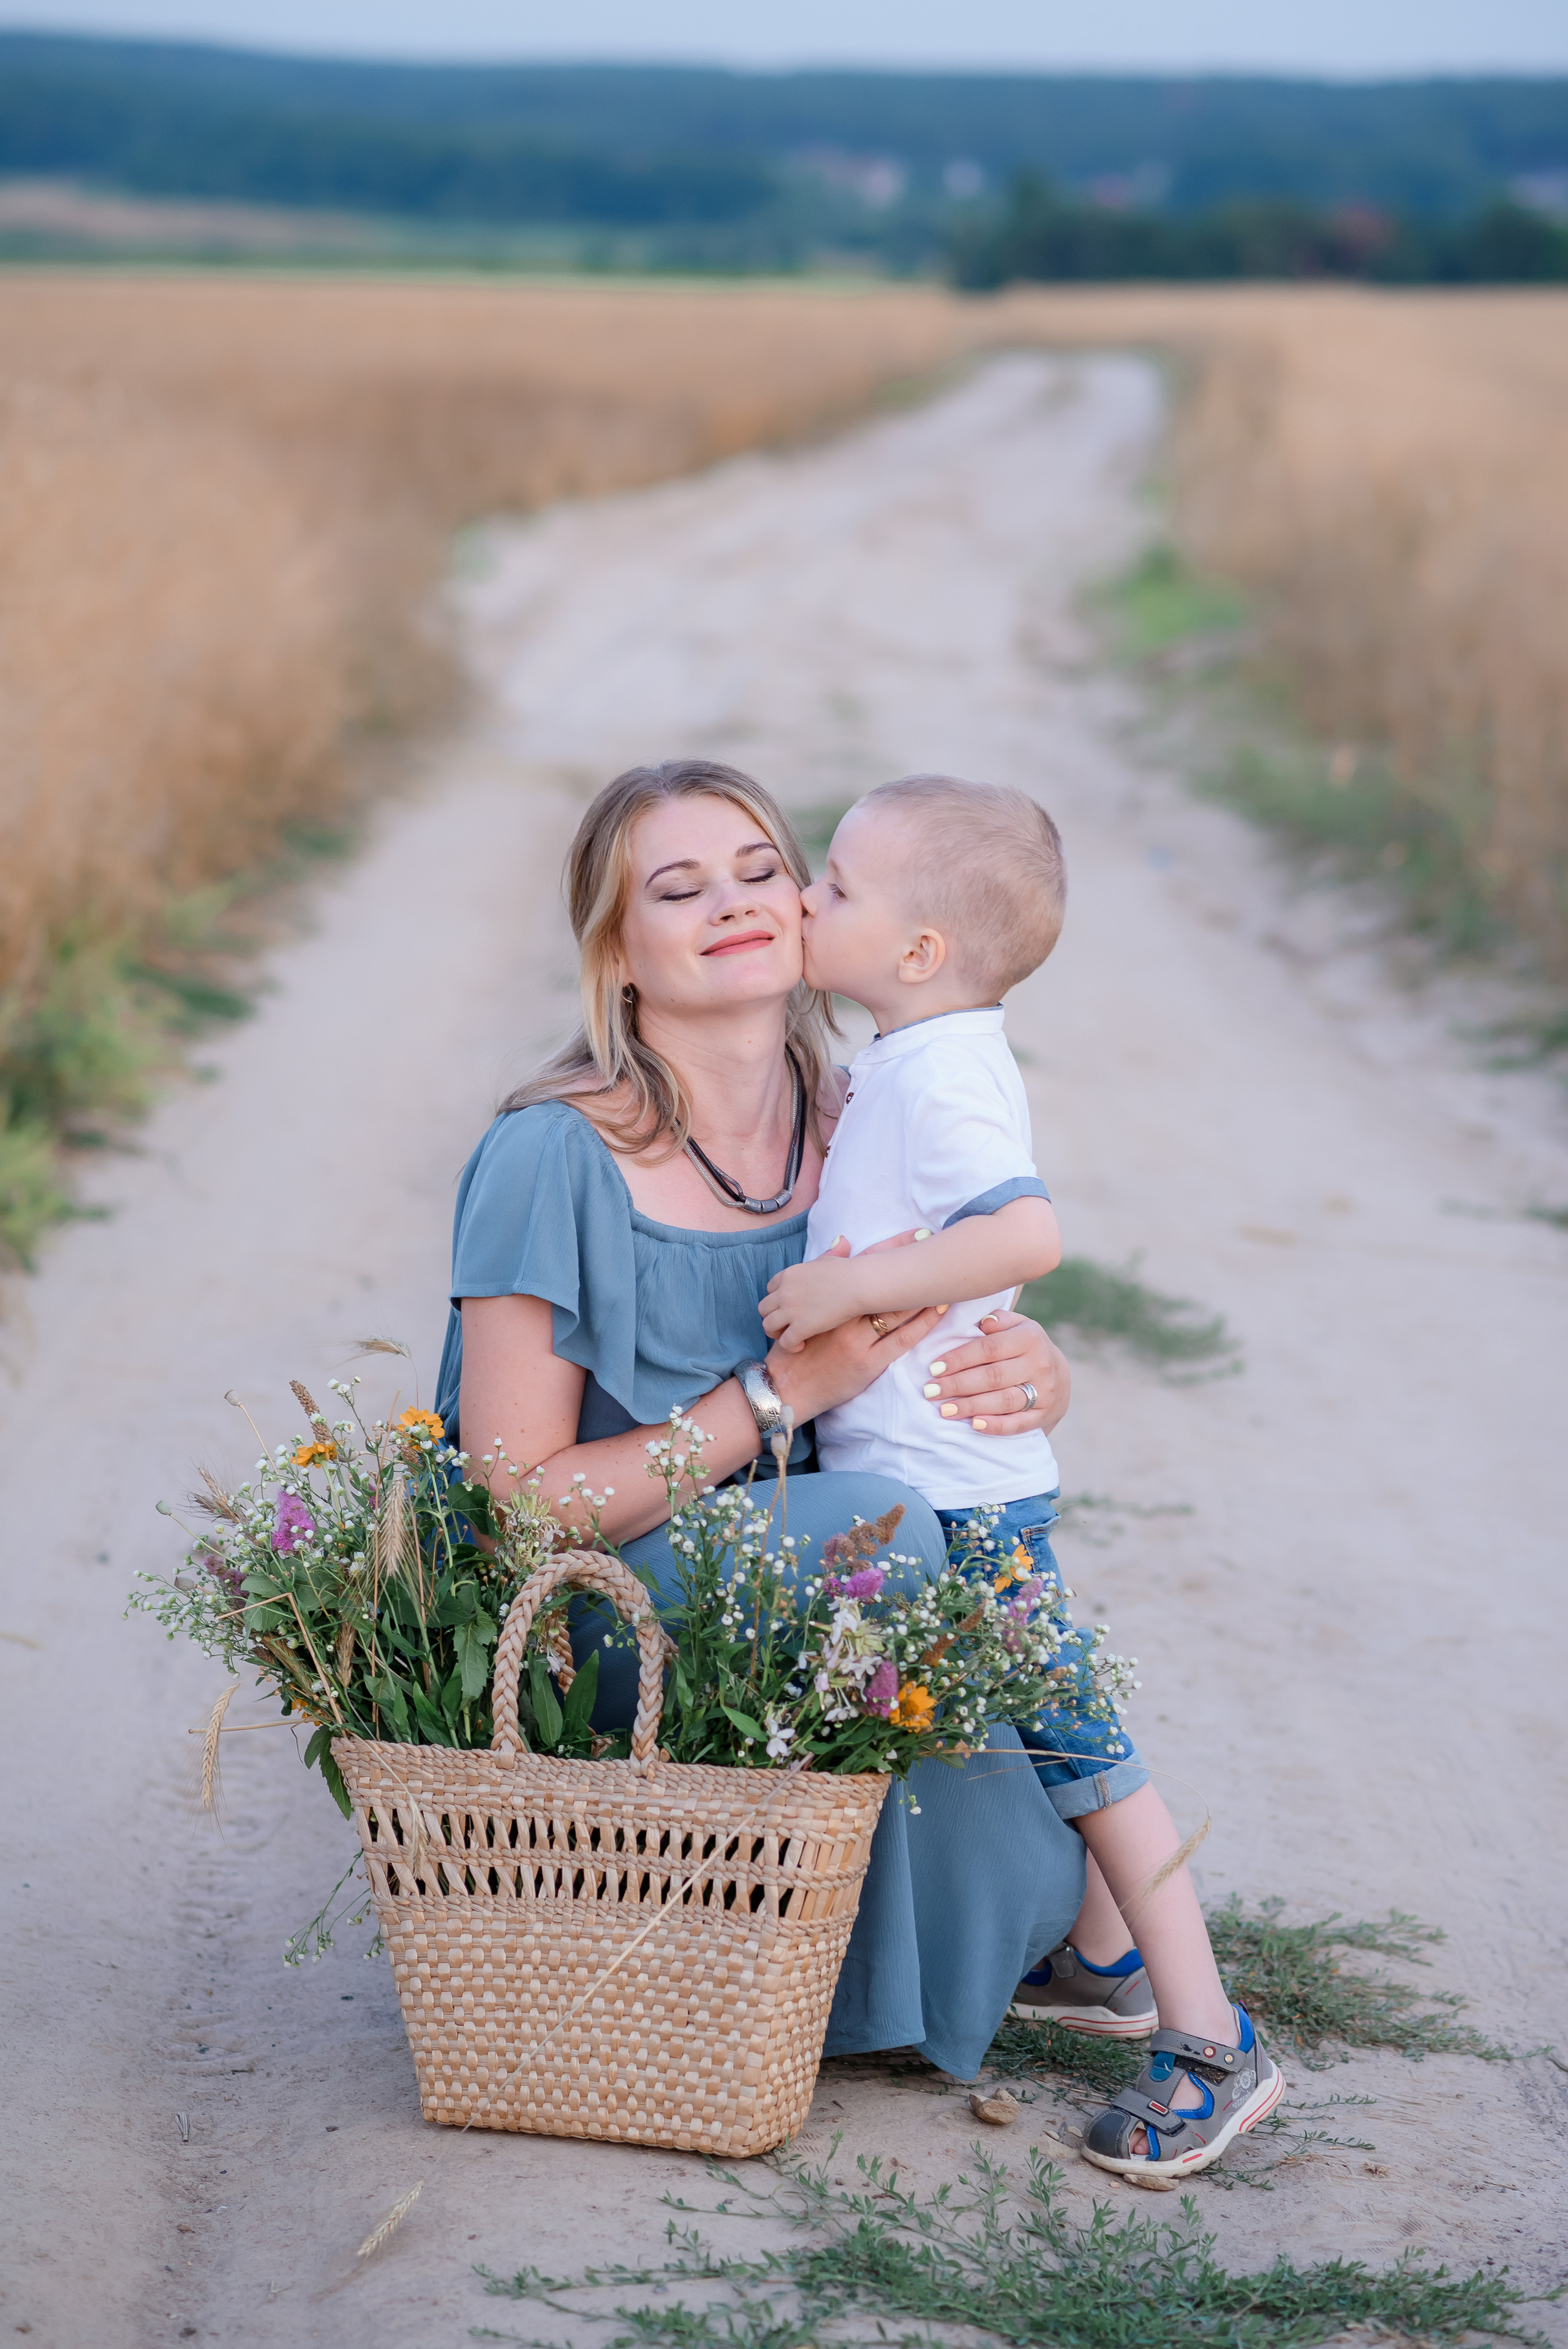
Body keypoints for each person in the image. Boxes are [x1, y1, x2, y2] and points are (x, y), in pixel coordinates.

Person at [433, 756, 1080, 2083]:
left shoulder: (855, 1119)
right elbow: (515, 1507)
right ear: (616, 953)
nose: (731, 903)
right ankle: (863, 1967)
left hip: (819, 1581)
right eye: (676, 888)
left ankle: (1014, 1927)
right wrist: (782, 1394)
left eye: (758, 871)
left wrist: (1029, 1370)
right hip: (599, 1614)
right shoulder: (548, 1157)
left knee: (947, 1533)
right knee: (870, 1527)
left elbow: (953, 1305)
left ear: (811, 909)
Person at [761, 773, 1282, 2180]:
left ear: (920, 952)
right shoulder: (903, 1059)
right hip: (937, 1481)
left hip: (962, 1493)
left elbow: (1025, 1235)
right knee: (1046, 1727)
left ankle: (1211, 2038)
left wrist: (839, 1293)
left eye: (837, 888)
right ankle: (1105, 1960)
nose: (806, 901)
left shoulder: (942, 1079)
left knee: (1080, 1749)